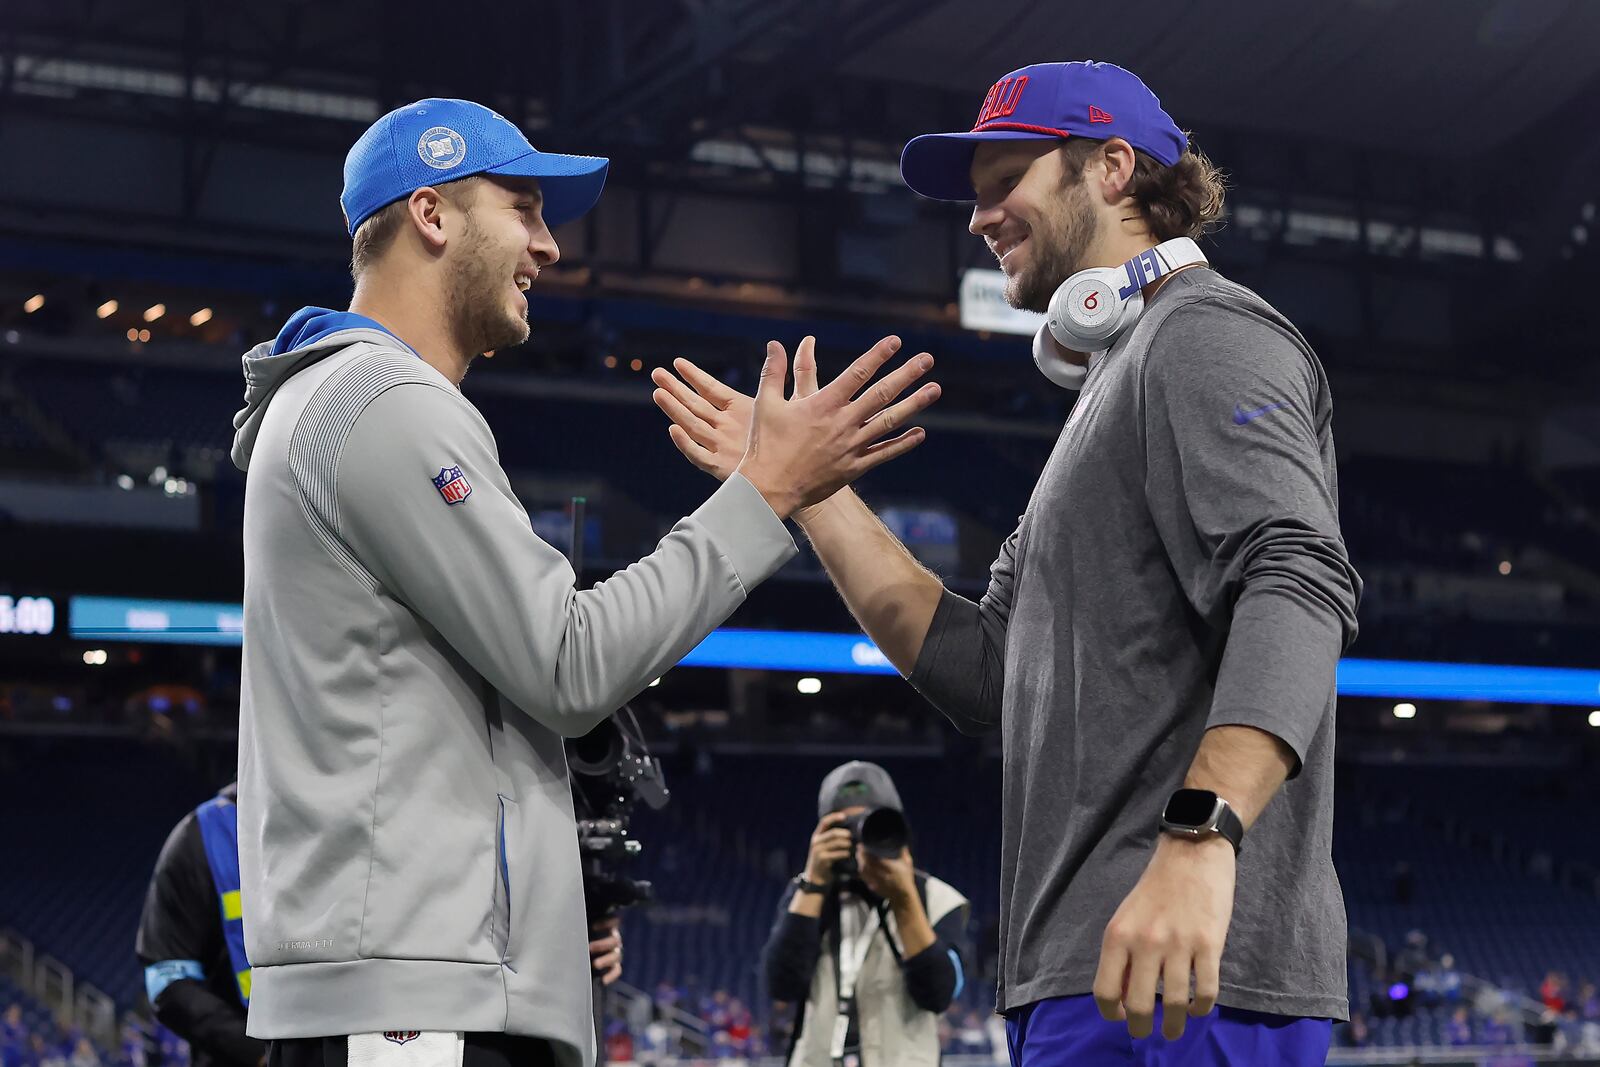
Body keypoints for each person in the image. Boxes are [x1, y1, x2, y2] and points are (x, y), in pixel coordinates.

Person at [652, 60, 1361, 1066]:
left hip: (1181, 970)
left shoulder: (1206, 333)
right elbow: (982, 668)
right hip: (1090, 971)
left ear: (1113, 168)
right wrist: (803, 489)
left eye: (1005, 182)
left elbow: (1295, 576)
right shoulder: (1109, 387)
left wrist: (1200, 840)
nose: (980, 217)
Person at [229, 98, 940, 1067]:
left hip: (412, 982)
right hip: (409, 1001)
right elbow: (569, 660)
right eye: (522, 207)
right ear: (431, 216)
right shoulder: (379, 400)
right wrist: (766, 491)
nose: (549, 245)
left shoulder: (349, 397)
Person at [761, 762, 969, 1067]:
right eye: (844, 829)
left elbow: (938, 994)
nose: (859, 843)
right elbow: (781, 986)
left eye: (870, 827)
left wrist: (904, 896)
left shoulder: (936, 898)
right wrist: (814, 882)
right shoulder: (806, 893)